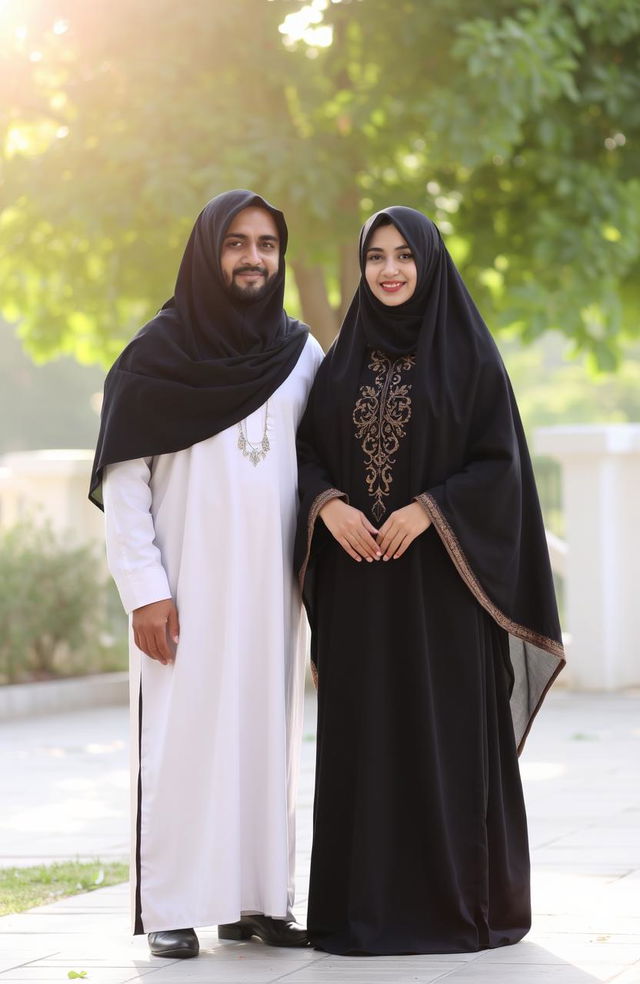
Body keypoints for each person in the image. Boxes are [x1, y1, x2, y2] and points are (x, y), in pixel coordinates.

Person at [294, 206, 565, 956]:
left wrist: (428, 509)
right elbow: (307, 456)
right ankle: (363, 911)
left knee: (441, 739)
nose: (388, 269)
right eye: (376, 255)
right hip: (360, 593)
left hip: (444, 592)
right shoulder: (339, 364)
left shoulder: (470, 360)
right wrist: (330, 506)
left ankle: (457, 907)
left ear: (430, 264)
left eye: (404, 255)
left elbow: (502, 467)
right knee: (365, 740)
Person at [89, 190, 323, 958]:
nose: (253, 258)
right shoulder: (154, 356)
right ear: (206, 252)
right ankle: (173, 904)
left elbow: (327, 464)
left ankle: (258, 901)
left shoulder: (301, 354)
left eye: (266, 245)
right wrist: (145, 590)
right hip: (182, 593)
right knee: (182, 742)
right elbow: (125, 483)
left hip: (270, 595)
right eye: (236, 243)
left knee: (267, 742)